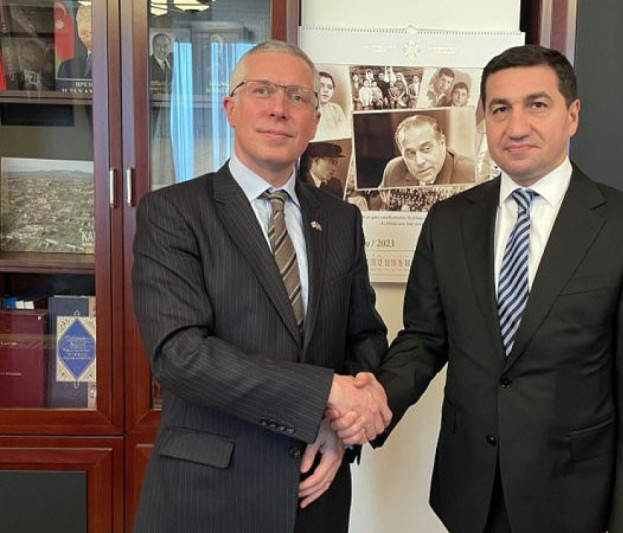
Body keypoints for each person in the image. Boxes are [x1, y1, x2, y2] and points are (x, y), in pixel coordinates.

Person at [341, 44, 623, 532]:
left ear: (573, 115)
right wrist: (373, 403)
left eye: (537, 105)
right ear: (484, 119)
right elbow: (424, 339)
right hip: (470, 493)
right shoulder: (449, 221)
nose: (516, 126)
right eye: (500, 109)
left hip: (575, 499)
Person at [132, 40, 391, 533]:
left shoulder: (341, 220)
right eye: (262, 90)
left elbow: (364, 336)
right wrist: (325, 394)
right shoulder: (173, 212)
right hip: (209, 495)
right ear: (231, 108)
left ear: (314, 122)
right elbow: (179, 354)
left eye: (297, 96)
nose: (279, 108)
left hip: (315, 491)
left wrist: (340, 429)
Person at [381, 114, 475, 187]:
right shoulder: (393, 170)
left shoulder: (471, 173)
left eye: (426, 149)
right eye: (410, 153)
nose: (419, 161)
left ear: (442, 143)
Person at [56, 5, 92, 82]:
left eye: (88, 19)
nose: (84, 27)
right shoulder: (66, 67)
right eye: (80, 20)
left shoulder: (113, 64)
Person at [314, 71, 350, 140]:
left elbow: (343, 133)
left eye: (330, 87)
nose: (326, 90)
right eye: (321, 86)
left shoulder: (337, 109)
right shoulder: (307, 110)